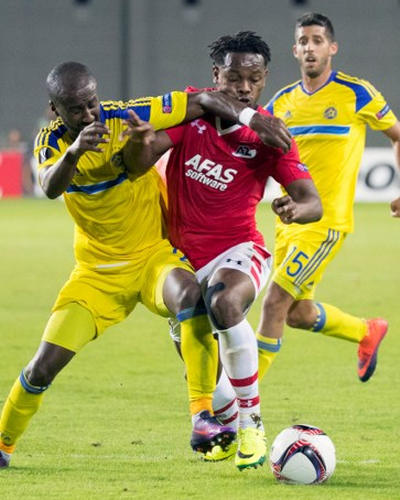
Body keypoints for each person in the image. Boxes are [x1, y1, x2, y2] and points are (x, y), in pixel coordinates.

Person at [0, 61, 293, 469]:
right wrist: (75, 151)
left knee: (190, 296)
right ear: (55, 110)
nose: (89, 115)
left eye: (92, 103)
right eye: (76, 110)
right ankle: (3, 444)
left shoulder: (125, 114)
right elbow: (50, 186)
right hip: (96, 277)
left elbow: (202, 100)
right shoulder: (50, 142)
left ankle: (202, 416)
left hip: (154, 258)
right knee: (42, 368)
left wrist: (249, 118)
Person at [122, 31, 322, 470]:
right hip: (180, 261)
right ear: (217, 75)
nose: (245, 87)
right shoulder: (191, 110)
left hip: (239, 250)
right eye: (234, 77)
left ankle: (253, 423)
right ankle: (228, 419)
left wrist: (295, 207)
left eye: (254, 79)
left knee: (225, 302)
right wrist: (139, 142)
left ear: (266, 78)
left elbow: (313, 201)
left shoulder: (269, 134)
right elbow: (139, 162)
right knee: (204, 371)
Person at [256, 12, 400, 386]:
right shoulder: (281, 102)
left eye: (317, 40)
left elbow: (397, 135)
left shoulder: (357, 93)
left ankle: (241, 403)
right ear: (294, 50)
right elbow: (252, 147)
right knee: (297, 313)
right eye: (303, 41)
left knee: (273, 303)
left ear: (332, 48)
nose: (310, 47)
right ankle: (366, 331)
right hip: (288, 223)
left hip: (326, 223)